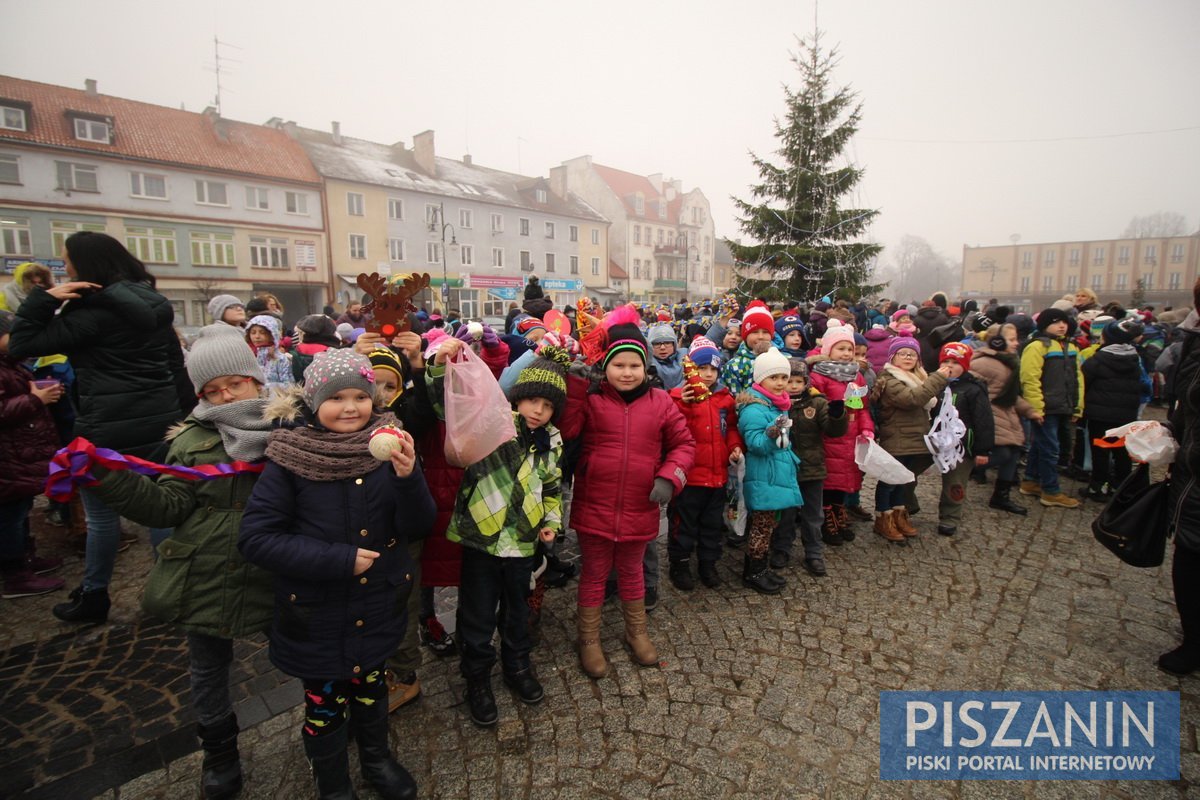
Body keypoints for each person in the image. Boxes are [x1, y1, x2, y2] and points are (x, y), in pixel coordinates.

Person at [85, 326, 274, 799]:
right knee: (208, 667)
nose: (225, 396)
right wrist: (113, 481)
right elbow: (168, 507)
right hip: (206, 567)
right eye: (212, 391)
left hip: (275, 562)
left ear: (254, 378)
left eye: (234, 383)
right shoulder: (190, 439)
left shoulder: (289, 424)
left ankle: (326, 720)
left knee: (303, 646)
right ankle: (220, 753)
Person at [239, 349, 433, 800]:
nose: (350, 407)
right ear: (312, 402)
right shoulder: (289, 457)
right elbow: (256, 539)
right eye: (336, 398)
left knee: (371, 691)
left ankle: (377, 761)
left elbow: (418, 525)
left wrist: (408, 479)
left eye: (359, 397)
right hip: (317, 615)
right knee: (324, 705)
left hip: (378, 603)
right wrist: (338, 559)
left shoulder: (392, 444)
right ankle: (332, 782)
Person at [8, 231, 192, 623]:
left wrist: (43, 300)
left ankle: (94, 596)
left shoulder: (89, 314)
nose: (64, 267)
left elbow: (22, 343)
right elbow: (176, 367)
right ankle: (174, 591)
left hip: (105, 430)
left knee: (102, 518)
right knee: (162, 510)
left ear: (85, 265)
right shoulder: (155, 306)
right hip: (161, 424)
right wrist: (186, 418)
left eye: (67, 260)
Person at [434, 341, 568, 726]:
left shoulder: (552, 443)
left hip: (523, 543)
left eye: (547, 406)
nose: (538, 411)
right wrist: (440, 368)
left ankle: (517, 664)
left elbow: (553, 488)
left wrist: (551, 524)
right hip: (482, 540)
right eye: (532, 402)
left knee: (517, 610)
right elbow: (448, 408)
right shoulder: (493, 424)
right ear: (517, 399)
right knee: (476, 615)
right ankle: (476, 677)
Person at [558, 306, 694, 678]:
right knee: (595, 573)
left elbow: (684, 444)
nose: (627, 372)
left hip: (640, 505)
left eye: (635, 365)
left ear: (645, 368)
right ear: (608, 367)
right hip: (594, 505)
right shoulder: (592, 399)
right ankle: (588, 638)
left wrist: (670, 477)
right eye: (620, 365)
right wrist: (574, 386)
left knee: (633, 571)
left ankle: (636, 632)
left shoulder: (661, 403)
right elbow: (567, 429)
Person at [667, 337, 743, 590]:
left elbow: (730, 428)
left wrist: (734, 447)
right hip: (689, 478)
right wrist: (686, 405)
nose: (708, 374)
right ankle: (680, 563)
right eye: (702, 369)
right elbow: (673, 431)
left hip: (717, 476)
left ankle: (708, 563)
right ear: (691, 370)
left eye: (713, 369)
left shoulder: (724, 398)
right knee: (683, 524)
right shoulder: (678, 398)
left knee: (712, 525)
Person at [0, 309, 66, 598]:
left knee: (19, 509)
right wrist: (34, 399)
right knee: (9, 516)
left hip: (18, 454)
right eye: (11, 334)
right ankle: (15, 575)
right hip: (7, 456)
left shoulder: (11, 364)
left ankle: (25, 557)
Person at [869, 336, 950, 541]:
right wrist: (938, 379)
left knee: (905, 481)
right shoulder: (889, 380)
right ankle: (883, 518)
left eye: (912, 354)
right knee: (889, 481)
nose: (908, 357)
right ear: (893, 357)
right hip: (897, 439)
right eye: (903, 354)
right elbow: (912, 399)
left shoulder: (919, 378)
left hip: (914, 438)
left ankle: (899, 515)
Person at [737, 347, 802, 594]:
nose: (780, 383)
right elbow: (756, 444)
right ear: (760, 378)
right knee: (761, 526)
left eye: (783, 378)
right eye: (773, 377)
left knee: (768, 524)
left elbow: (783, 441)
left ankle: (760, 568)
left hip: (776, 471)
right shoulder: (755, 407)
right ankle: (754, 571)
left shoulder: (777, 404)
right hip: (763, 473)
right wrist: (772, 432)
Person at [1161, 277, 1200, 676]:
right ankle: (1194, 639)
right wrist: (1172, 431)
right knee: (1190, 554)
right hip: (1192, 470)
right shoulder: (1192, 343)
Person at [807, 321, 873, 545]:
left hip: (851, 436)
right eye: (840, 348)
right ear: (828, 350)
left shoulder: (856, 376)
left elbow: (861, 407)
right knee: (829, 480)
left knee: (845, 478)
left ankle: (838, 511)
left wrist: (866, 428)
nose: (846, 354)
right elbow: (817, 407)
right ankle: (827, 518)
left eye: (849, 349)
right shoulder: (819, 376)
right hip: (830, 436)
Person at [780, 357, 847, 577]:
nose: (793, 386)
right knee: (786, 513)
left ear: (806, 382)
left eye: (798, 381)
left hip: (813, 468)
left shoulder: (817, 403)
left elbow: (832, 430)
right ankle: (781, 549)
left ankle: (814, 553)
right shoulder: (777, 404)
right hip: (786, 469)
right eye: (789, 381)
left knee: (813, 514)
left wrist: (838, 415)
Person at [968, 324, 1039, 515]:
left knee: (1014, 453)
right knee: (1003, 454)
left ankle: (1001, 496)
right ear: (997, 341)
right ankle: (963, 469)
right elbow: (970, 390)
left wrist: (1030, 411)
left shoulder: (1008, 362)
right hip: (990, 416)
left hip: (1007, 414)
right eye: (1012, 339)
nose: (1017, 343)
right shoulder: (983, 363)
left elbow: (1010, 394)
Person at [1019, 308, 1083, 508]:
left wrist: (1077, 405)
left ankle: (1031, 480)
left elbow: (1078, 378)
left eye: (1063, 322)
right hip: (1046, 406)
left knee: (1041, 444)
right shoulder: (1037, 346)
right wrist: (1035, 407)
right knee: (1051, 448)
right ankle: (1050, 490)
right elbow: (1029, 378)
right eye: (1056, 322)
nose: (1061, 325)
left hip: (1063, 404)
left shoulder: (1071, 346)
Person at [929, 343, 994, 537]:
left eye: (955, 362)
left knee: (955, 483)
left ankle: (950, 516)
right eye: (945, 361)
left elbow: (984, 420)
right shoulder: (934, 383)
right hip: (933, 440)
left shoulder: (973, 389)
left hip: (960, 445)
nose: (949, 366)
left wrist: (983, 450)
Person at [1079, 317, 1148, 501]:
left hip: (1100, 415)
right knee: (1120, 451)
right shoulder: (1134, 358)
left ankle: (1098, 486)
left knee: (1101, 451)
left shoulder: (1099, 359)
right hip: (1125, 414)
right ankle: (1120, 486)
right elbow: (1142, 384)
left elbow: (1083, 382)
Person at [246, 314, 293, 392]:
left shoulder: (280, 359)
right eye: (253, 333)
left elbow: (288, 385)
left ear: (272, 334)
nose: (257, 336)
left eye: (262, 332)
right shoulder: (249, 357)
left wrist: (265, 387)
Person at [647, 323, 684, 389]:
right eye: (657, 343)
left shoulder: (685, 358)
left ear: (674, 345)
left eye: (667, 343)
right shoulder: (647, 364)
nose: (662, 347)